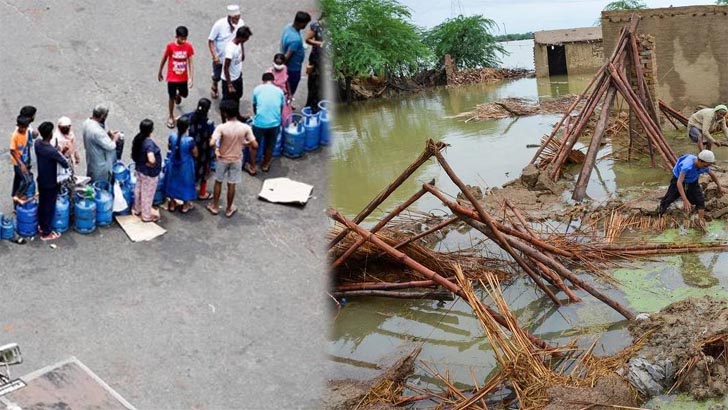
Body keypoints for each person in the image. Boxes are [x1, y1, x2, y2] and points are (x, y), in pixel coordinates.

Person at [207, 100, 257, 217]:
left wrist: (216, 149)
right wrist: (244, 144)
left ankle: (214, 206)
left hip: (222, 158)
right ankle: (229, 208)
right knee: (232, 184)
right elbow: (255, 145)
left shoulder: (221, 127)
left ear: (225, 113)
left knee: (218, 182)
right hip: (236, 159)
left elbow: (212, 142)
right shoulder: (245, 128)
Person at [658, 150, 724, 228]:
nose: (706, 167)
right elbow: (679, 183)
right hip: (678, 178)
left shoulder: (704, 166)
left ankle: (700, 221)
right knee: (669, 198)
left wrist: (719, 187)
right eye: (705, 165)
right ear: (699, 161)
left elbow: (713, 175)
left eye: (707, 165)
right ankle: (660, 216)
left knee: (700, 199)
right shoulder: (687, 166)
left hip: (692, 179)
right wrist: (685, 200)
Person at [35, 121, 69, 241]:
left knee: (42, 203)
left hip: (41, 180)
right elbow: (65, 163)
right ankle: (46, 233)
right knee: (49, 207)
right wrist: (61, 152)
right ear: (50, 135)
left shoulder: (37, 144)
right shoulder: (52, 151)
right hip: (50, 183)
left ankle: (40, 225)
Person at [158, 25, 195, 129]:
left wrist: (191, 77)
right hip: (172, 77)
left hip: (183, 77)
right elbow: (164, 58)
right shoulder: (170, 46)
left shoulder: (188, 47)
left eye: (185, 38)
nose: (183, 41)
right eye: (181, 38)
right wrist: (160, 71)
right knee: (171, 96)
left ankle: (177, 95)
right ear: (176, 36)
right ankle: (171, 116)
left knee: (184, 94)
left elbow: (190, 62)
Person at [180, 98, 216, 199]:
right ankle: (202, 193)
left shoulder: (190, 116)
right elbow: (211, 139)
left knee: (190, 169)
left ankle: (188, 188)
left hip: (191, 147)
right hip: (204, 151)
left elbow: (179, 119)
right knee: (204, 171)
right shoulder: (209, 123)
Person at [208, 4, 244, 100]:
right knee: (217, 75)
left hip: (233, 57)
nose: (237, 20)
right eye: (235, 18)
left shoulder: (241, 23)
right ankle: (214, 85)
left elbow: (242, 38)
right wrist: (214, 55)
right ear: (230, 17)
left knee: (233, 74)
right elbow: (211, 41)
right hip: (220, 58)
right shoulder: (219, 25)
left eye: (238, 17)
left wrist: (243, 52)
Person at [252, 72, 285, 173]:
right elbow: (281, 108)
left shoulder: (257, 89)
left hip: (259, 123)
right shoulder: (280, 91)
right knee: (270, 145)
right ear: (273, 81)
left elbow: (255, 106)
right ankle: (265, 165)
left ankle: (252, 167)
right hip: (274, 123)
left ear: (263, 81)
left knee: (254, 144)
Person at [131, 119, 162, 222]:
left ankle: (137, 209)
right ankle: (146, 216)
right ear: (151, 130)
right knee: (147, 194)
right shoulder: (148, 143)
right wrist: (151, 163)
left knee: (138, 190)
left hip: (140, 170)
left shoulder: (138, 138)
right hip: (149, 173)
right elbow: (152, 159)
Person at [165, 116, 197, 213]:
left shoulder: (172, 137)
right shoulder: (189, 140)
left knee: (172, 181)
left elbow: (169, 147)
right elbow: (195, 153)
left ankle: (172, 203)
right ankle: (185, 205)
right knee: (186, 183)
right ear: (187, 127)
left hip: (173, 163)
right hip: (185, 165)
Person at [82, 104, 121, 183]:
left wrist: (108, 134)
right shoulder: (97, 131)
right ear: (102, 116)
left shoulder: (87, 122)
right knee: (100, 184)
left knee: (92, 177)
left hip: (91, 158)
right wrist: (114, 139)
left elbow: (99, 138)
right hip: (100, 163)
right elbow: (111, 146)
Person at [280, 11, 311, 98]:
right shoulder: (295, 40)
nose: (305, 26)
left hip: (291, 67)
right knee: (290, 89)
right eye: (304, 23)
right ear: (299, 23)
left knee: (286, 88)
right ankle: (286, 107)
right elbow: (287, 57)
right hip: (293, 68)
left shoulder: (288, 27)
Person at [222, 26, 252, 103]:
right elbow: (226, 67)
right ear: (241, 37)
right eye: (246, 38)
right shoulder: (230, 50)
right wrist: (229, 84)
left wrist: (242, 50)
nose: (247, 40)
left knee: (238, 96)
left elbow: (242, 56)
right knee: (228, 101)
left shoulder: (239, 43)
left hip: (238, 75)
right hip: (230, 79)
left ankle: (237, 114)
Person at [51, 116, 80, 191]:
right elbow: (55, 155)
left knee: (70, 177)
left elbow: (74, 146)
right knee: (62, 180)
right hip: (60, 163)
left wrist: (76, 156)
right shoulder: (55, 138)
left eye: (67, 127)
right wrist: (64, 150)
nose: (66, 129)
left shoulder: (70, 134)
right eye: (63, 128)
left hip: (69, 159)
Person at [10, 116, 34, 205]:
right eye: (22, 127)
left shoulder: (27, 132)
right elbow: (12, 151)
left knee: (18, 180)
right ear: (18, 126)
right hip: (18, 162)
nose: (23, 129)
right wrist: (21, 164)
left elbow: (27, 145)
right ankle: (17, 196)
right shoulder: (15, 136)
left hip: (25, 160)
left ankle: (16, 195)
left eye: (25, 127)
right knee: (27, 181)